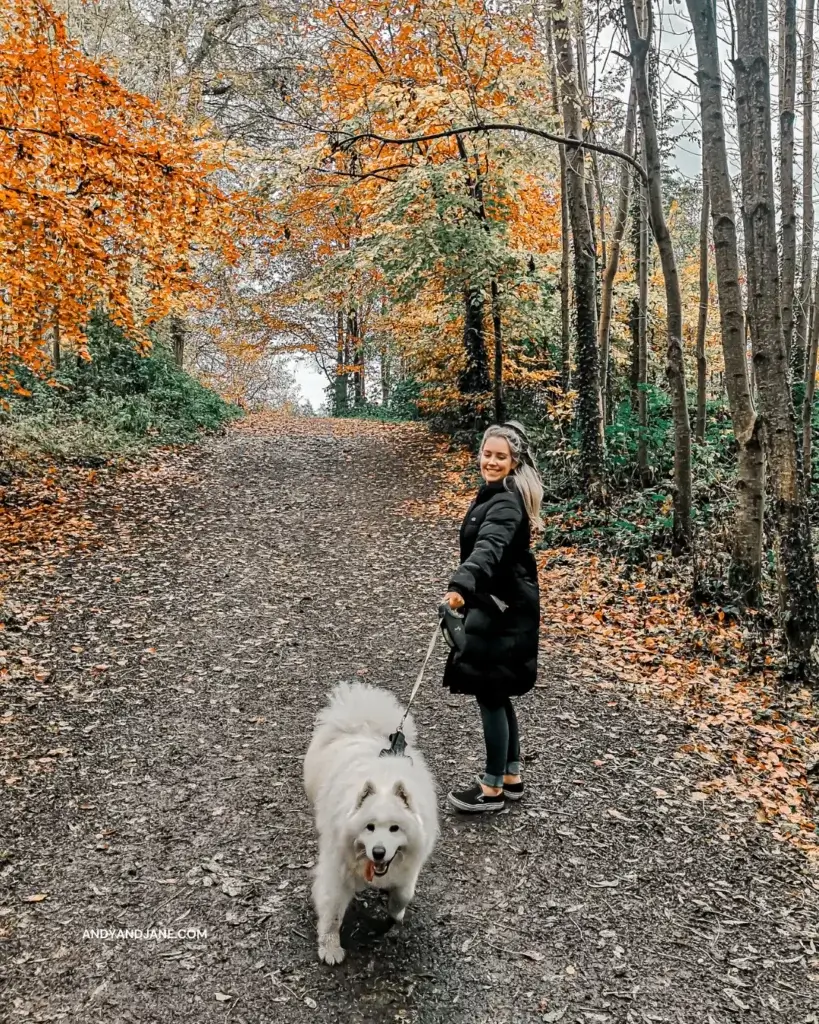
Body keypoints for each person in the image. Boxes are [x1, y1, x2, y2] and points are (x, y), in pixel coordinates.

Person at [441, 420, 543, 813]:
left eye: (501, 456)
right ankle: (512, 776)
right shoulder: (497, 494)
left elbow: (488, 548)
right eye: (487, 454)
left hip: (501, 611)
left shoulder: (503, 502)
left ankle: (492, 789)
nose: (491, 461)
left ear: (514, 461)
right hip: (502, 605)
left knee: (489, 693)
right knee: (497, 691)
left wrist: (460, 586)